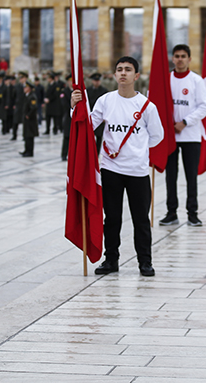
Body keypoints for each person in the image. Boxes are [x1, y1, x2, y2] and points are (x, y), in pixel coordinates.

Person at [71, 56, 163, 277]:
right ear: (114, 75)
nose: (123, 73)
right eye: (119, 69)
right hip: (111, 169)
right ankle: (111, 259)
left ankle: (145, 261)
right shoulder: (106, 101)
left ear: (136, 76)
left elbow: (157, 136)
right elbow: (87, 127)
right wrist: (75, 107)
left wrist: (138, 152)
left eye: (128, 70)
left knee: (141, 219)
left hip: (138, 172)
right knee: (112, 218)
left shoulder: (147, 106)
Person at [161, 44, 206, 227]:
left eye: (183, 56)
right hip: (170, 136)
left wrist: (185, 122)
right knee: (170, 175)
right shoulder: (166, 80)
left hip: (190, 135)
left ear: (189, 59)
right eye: (177, 56)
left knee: (191, 176)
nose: (180, 59)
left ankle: (192, 213)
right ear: (172, 59)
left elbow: (204, 106)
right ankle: (171, 212)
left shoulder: (197, 81)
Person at [86, 72, 108, 153]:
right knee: (89, 137)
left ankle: (97, 153)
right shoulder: (88, 90)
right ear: (92, 81)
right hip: (90, 116)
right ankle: (89, 152)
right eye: (95, 80)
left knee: (99, 136)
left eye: (98, 80)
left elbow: (107, 105)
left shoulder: (104, 91)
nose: (97, 82)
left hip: (100, 118)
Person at [20, 81, 38, 157]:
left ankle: (30, 151)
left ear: (29, 88)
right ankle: (26, 150)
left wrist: (28, 115)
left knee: (30, 135)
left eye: (26, 87)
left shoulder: (32, 96)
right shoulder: (27, 96)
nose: (24, 89)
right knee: (26, 135)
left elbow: (34, 107)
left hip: (31, 120)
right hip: (27, 119)